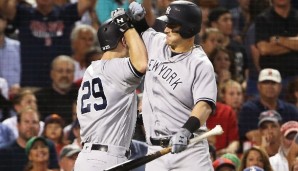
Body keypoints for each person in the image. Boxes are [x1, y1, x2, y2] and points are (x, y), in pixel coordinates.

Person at [129, 1, 217, 170]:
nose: (166, 29)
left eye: (172, 25)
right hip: (155, 150)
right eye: (167, 23)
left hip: (189, 151)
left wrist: (186, 131)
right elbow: (144, 32)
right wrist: (139, 19)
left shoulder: (200, 64)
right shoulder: (158, 42)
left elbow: (204, 105)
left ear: (188, 28)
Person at [74, 8, 148, 171]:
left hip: (87, 158)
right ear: (124, 41)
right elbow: (142, 64)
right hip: (106, 158)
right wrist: (127, 26)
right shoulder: (115, 68)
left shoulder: (91, 71)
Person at [0, 0, 96, 87]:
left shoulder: (65, 13)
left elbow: (87, 2)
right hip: (32, 84)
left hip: (61, 85)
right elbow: (2, 5)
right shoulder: (24, 14)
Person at [238, 68, 298, 144]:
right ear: (259, 86)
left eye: (273, 83)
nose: (270, 86)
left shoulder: (291, 110)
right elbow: (254, 137)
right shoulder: (248, 109)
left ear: (280, 87)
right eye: (266, 83)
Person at [255, 0, 298, 88]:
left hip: (296, 77)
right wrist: (293, 44)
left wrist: (278, 40)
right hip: (272, 79)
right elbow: (264, 49)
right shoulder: (263, 19)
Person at [35, 55, 78, 124]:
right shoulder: (39, 97)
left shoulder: (82, 95)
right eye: (60, 71)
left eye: (68, 71)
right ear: (52, 74)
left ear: (73, 75)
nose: (64, 75)